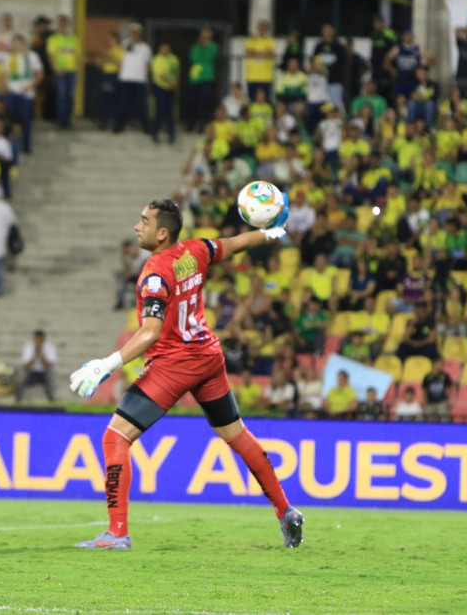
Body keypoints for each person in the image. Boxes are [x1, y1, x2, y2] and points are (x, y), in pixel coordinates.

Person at [69, 199, 303, 549]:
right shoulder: (198, 250)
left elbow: (149, 332)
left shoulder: (155, 272)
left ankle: (117, 532)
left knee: (115, 438)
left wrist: (107, 364)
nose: (137, 226)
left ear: (161, 233)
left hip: (174, 364)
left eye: (144, 221)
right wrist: (268, 233)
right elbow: (236, 243)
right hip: (208, 357)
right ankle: (285, 510)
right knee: (238, 437)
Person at [114, 23, 152, 134]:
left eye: (136, 32)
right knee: (123, 104)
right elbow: (119, 54)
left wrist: (147, 78)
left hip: (140, 80)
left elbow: (148, 65)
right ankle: (119, 126)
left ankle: (146, 127)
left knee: (142, 105)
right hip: (126, 78)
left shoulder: (146, 48)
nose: (134, 34)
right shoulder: (126, 43)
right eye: (132, 32)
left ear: (140, 33)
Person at [46, 15, 81, 130]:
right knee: (61, 97)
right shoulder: (53, 39)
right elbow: (50, 55)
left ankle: (68, 120)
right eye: (61, 24)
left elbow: (78, 57)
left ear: (68, 25)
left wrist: (78, 72)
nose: (63, 26)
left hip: (71, 71)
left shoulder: (74, 39)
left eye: (65, 24)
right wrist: (56, 68)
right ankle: (61, 121)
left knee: (70, 97)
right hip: (60, 72)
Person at [186, 27, 219, 132]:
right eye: (203, 33)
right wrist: (201, 48)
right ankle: (190, 123)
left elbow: (210, 57)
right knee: (192, 102)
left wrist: (204, 49)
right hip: (195, 78)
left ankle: (202, 125)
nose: (205, 35)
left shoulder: (214, 46)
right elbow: (193, 58)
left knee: (204, 103)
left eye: (207, 33)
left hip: (207, 78)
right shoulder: (195, 46)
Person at [15, 329, 57, 402]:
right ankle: (18, 399)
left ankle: (51, 399)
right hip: (31, 371)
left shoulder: (49, 347)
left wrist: (41, 354)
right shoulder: (28, 347)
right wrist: (34, 355)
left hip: (44, 371)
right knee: (21, 378)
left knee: (50, 376)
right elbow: (26, 365)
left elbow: (49, 365)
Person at [150, 41, 180, 143]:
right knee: (159, 111)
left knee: (171, 112)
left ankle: (171, 135)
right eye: (163, 47)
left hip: (170, 89)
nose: (165, 49)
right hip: (160, 87)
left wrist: (176, 82)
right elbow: (160, 75)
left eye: (167, 47)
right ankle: (154, 133)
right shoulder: (157, 59)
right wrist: (172, 83)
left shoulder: (173, 58)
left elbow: (176, 71)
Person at [243, 19, 276, 104]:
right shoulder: (250, 40)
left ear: (267, 29)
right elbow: (248, 54)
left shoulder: (270, 41)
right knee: (252, 100)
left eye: (264, 27)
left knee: (266, 101)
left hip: (266, 77)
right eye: (260, 27)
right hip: (252, 76)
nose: (262, 29)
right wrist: (263, 52)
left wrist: (255, 52)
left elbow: (270, 55)